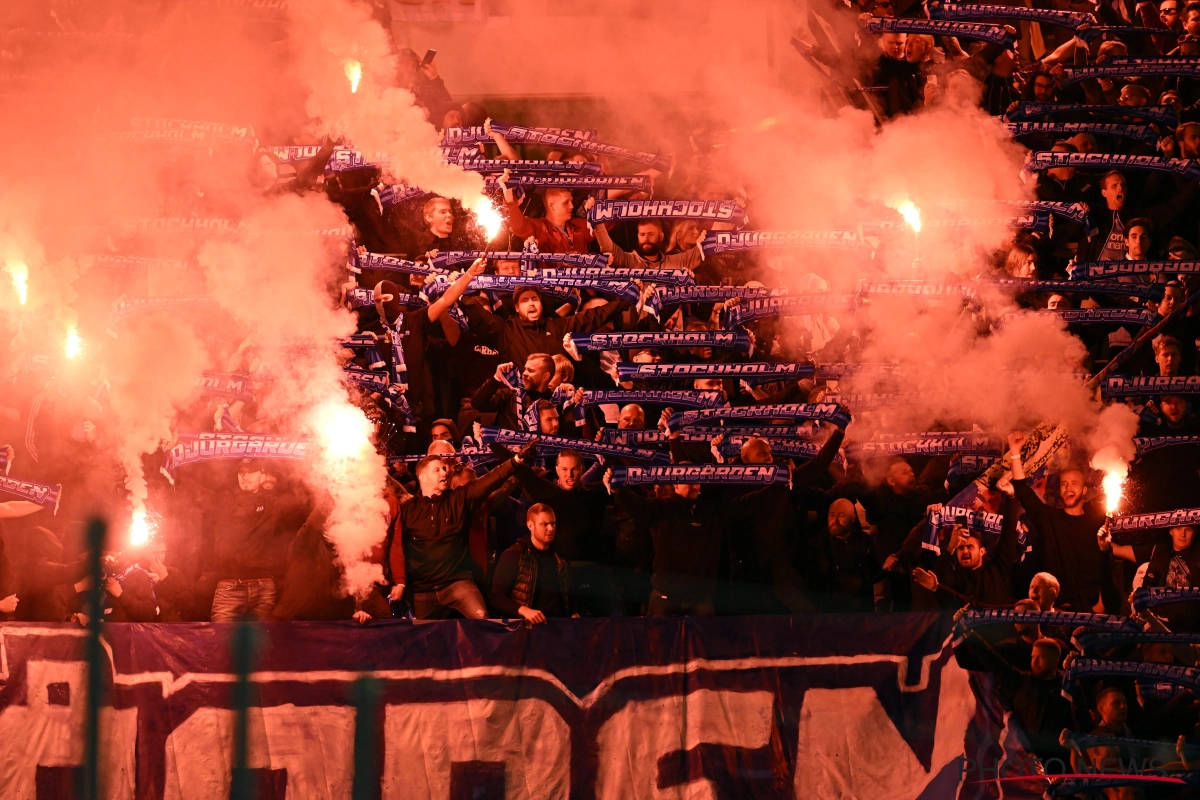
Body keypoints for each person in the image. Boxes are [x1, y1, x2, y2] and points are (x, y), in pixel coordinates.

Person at [389, 440, 536, 620]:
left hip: (457, 584)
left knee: (482, 620)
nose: (444, 472)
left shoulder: (459, 498)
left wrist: (517, 459)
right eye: (437, 470)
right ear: (422, 477)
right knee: (421, 642)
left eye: (444, 468)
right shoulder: (408, 508)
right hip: (422, 591)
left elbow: (492, 479)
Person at [1009, 433, 1114, 612]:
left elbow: (1105, 568)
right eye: (1064, 484)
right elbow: (1022, 490)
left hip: (1089, 611)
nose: (1068, 488)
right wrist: (1014, 451)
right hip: (1055, 611)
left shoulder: (1096, 523)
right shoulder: (1049, 519)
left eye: (1074, 483)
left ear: (1084, 490)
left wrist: (1100, 604)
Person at [512, 449, 620, 616]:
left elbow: (625, 479)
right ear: (557, 470)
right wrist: (490, 439)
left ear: (583, 469)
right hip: (561, 573)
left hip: (594, 571)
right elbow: (520, 470)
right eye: (564, 469)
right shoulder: (548, 493)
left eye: (574, 469)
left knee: (618, 619)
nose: (569, 474)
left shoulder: (596, 492)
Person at [204, 459, 309, 623]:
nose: (244, 476)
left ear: (262, 477)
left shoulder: (272, 503)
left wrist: (317, 468)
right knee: (220, 643)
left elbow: (302, 497)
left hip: (263, 587)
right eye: (241, 472)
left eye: (250, 472)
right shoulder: (223, 501)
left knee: (262, 646)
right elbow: (194, 494)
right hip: (229, 587)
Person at [461, 283, 627, 368]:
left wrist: (626, 299)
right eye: (525, 300)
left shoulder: (558, 326)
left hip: (556, 403)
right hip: (522, 405)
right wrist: (460, 291)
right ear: (517, 307)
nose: (531, 303)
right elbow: (481, 316)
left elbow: (593, 316)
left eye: (535, 299)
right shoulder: (507, 330)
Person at [912, 493, 1018, 609]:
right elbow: (938, 578)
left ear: (982, 551)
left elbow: (1008, 530)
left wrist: (1011, 496)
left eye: (970, 546)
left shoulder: (998, 569)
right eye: (960, 548)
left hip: (1000, 626)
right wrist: (950, 546)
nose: (965, 551)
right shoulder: (957, 579)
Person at [488, 503, 572, 623]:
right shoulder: (514, 555)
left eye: (553, 523)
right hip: (527, 626)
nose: (551, 528)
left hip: (559, 625)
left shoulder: (560, 556)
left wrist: (574, 612)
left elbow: (569, 593)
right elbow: (496, 597)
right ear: (530, 525)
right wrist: (523, 610)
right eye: (545, 524)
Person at [807, 498, 883, 613]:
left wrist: (885, 568)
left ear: (852, 518)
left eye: (841, 516)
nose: (834, 520)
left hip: (862, 610)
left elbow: (872, 573)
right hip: (831, 612)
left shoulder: (863, 540)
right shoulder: (819, 543)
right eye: (831, 515)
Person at [498, 169, 594, 254]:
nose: (572, 206)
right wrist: (508, 192)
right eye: (566, 203)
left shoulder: (579, 225)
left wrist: (595, 211)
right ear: (551, 206)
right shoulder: (537, 228)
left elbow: (605, 223)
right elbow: (517, 224)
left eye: (571, 201)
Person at [593, 219, 704, 272]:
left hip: (670, 317)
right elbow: (608, 248)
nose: (646, 239)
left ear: (661, 236)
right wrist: (597, 221)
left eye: (651, 234)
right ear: (638, 236)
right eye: (642, 234)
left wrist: (706, 238)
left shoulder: (674, 261)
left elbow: (700, 252)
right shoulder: (628, 260)